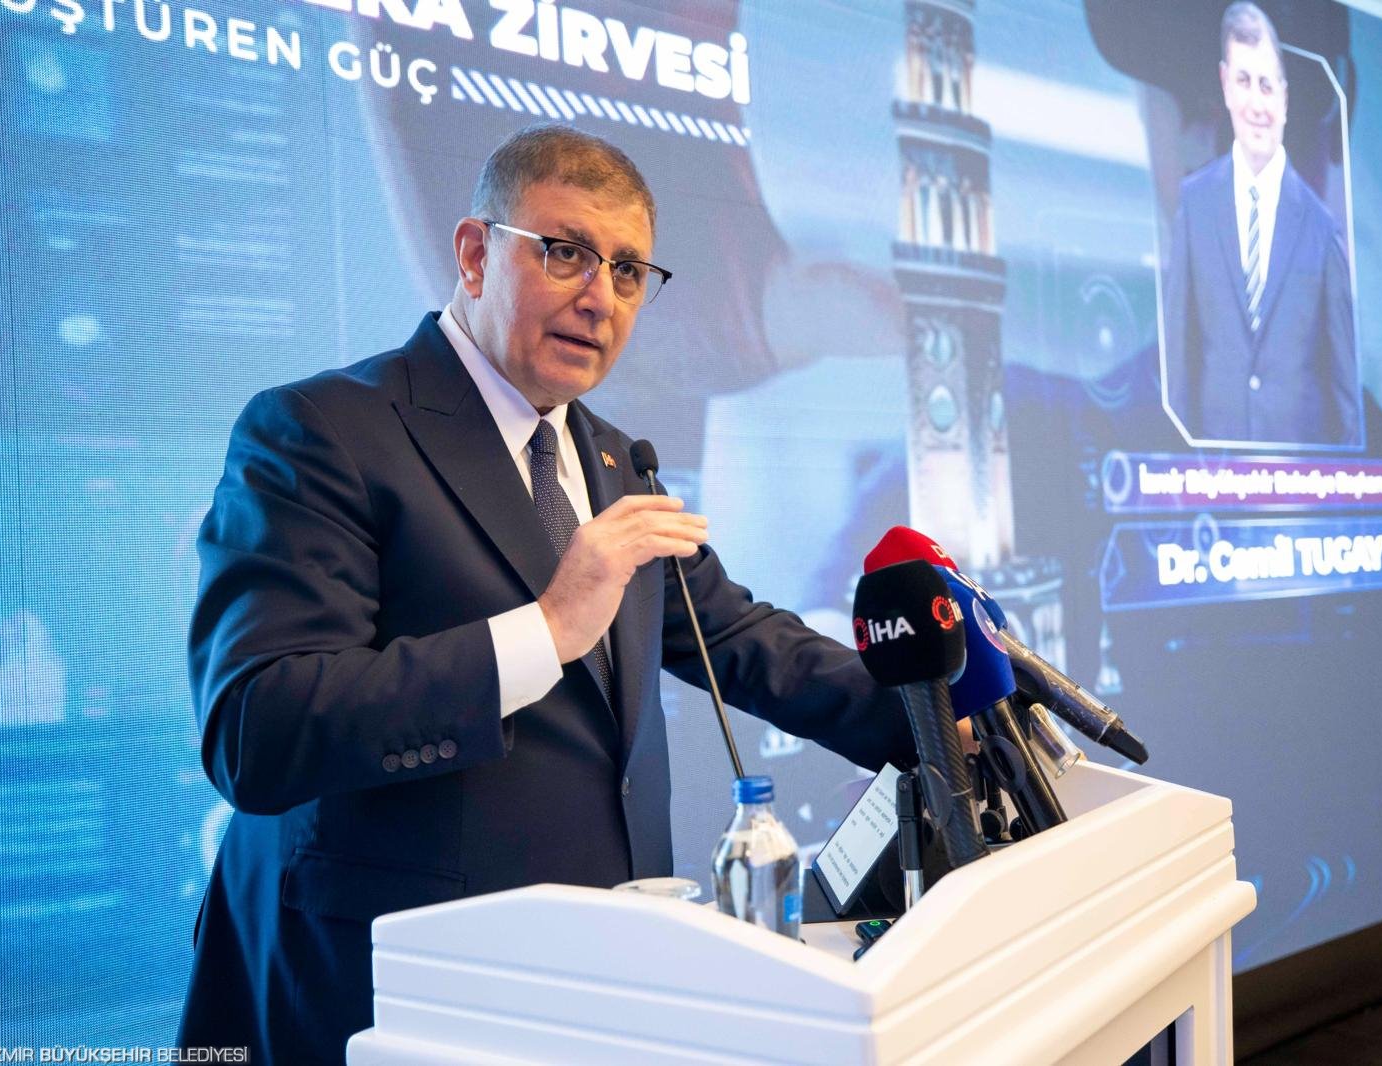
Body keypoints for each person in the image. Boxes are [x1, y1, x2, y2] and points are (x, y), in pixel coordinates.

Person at [177, 125, 914, 1063]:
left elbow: (741, 639)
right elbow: (257, 728)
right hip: (393, 999)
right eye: (565, 252)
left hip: (595, 987)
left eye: (629, 270)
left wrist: (944, 718)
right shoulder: (322, 431)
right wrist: (545, 630)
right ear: (475, 255)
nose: (600, 296)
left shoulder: (613, 460)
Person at [1162, 1, 1361, 447]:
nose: (1256, 104)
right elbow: (1179, 360)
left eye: (1267, 86)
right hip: (1211, 478)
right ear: (1225, 86)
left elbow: (1344, 393)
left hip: (1301, 480)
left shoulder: (1321, 228)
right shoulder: (1195, 205)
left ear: (1285, 100)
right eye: (1244, 81)